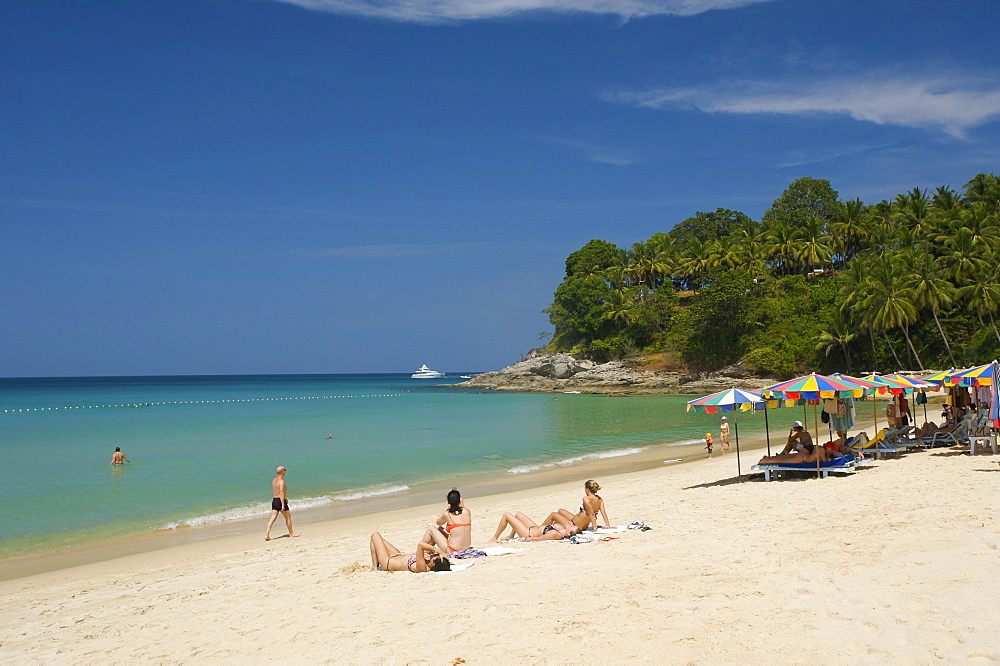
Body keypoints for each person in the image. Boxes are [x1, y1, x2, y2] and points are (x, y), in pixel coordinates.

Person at [541, 479, 611, 532]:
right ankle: (554, 527)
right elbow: (603, 513)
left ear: (587, 490)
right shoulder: (599, 499)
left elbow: (591, 514)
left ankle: (540, 529)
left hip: (575, 525)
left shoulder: (586, 499)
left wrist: (594, 528)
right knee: (560, 511)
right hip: (582, 524)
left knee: (553, 514)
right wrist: (608, 526)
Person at [421, 488, 472, 554]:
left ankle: (420, 549)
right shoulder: (467, 511)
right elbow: (462, 508)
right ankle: (428, 549)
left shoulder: (448, 514)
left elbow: (438, 522)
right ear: (459, 500)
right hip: (466, 549)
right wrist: (460, 502)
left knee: (431, 528)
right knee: (439, 529)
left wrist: (446, 507)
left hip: (452, 550)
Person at [369, 532, 451, 572]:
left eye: (437, 556)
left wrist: (439, 550)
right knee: (375, 542)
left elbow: (420, 545)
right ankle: (375, 566)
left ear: (433, 563)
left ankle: (374, 567)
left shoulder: (422, 567)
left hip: (388, 562)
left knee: (375, 535)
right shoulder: (429, 560)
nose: (436, 554)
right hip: (398, 555)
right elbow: (445, 562)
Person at [489, 511, 578, 543]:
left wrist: (525, 539)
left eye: (572, 527)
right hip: (534, 527)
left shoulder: (556, 534)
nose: (571, 525)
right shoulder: (561, 529)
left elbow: (538, 539)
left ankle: (495, 538)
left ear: (569, 533)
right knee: (518, 514)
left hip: (527, 533)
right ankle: (511, 535)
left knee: (506, 515)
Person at [265, 466, 300, 541]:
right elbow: (281, 493)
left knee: (272, 519)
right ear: (282, 472)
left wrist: (284, 499)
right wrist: (283, 504)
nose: (285, 471)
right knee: (288, 517)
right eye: (285, 470)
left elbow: (276, 491)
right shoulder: (281, 481)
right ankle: (291, 533)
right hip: (280, 501)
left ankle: (267, 534)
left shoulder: (274, 480)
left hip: (275, 500)